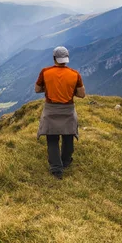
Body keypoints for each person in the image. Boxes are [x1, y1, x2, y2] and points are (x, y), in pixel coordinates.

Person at [35, 46, 86, 179]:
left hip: (51, 109)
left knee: (52, 138)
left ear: (54, 58)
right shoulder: (75, 74)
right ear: (67, 59)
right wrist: (70, 90)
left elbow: (37, 89)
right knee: (68, 136)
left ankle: (56, 169)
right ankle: (66, 161)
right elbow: (81, 94)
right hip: (68, 109)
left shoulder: (45, 72)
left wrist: (48, 88)